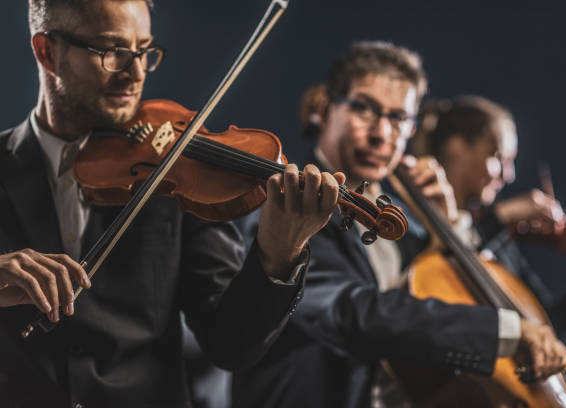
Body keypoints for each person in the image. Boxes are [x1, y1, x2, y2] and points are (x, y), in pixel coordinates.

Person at [0, 1, 345, 407]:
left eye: (144, 50)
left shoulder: (177, 171)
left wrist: (279, 253)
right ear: (47, 51)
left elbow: (230, 346)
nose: (136, 73)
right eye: (113, 52)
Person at [231, 41, 566, 408]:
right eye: (365, 109)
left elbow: (442, 299)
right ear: (327, 109)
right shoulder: (289, 204)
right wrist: (506, 331)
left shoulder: (406, 225)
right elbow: (351, 311)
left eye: (398, 118)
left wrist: (448, 226)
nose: (382, 134)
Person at [411, 95, 566, 333]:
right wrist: (502, 216)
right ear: (457, 147)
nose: (509, 175)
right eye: (498, 158)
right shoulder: (413, 220)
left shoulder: (497, 237)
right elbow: (446, 256)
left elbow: (541, 327)